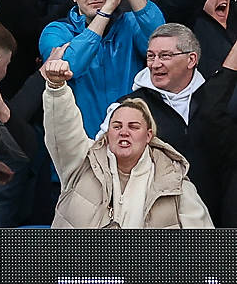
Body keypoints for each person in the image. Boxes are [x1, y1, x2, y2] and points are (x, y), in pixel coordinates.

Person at [38, 50, 213, 228]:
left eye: (134, 127)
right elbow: (63, 131)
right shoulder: (82, 163)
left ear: (148, 136)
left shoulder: (175, 182)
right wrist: (57, 88)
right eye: (117, 126)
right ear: (107, 133)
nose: (124, 132)